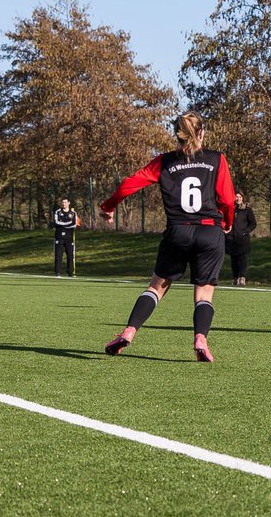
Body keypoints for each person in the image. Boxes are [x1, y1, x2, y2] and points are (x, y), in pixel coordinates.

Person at [98, 111, 235, 362]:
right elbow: (227, 198)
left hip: (178, 232)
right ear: (202, 133)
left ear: (177, 136)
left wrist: (109, 206)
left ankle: (129, 330)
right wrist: (227, 221)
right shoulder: (216, 159)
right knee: (203, 294)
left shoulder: (164, 162)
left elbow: (131, 182)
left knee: (156, 287)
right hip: (209, 231)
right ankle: (200, 339)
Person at [224, 190, 257, 285]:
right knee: (233, 260)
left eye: (240, 197)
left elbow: (253, 223)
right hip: (231, 238)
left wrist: (245, 231)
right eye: (236, 197)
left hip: (242, 239)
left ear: (243, 198)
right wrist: (226, 231)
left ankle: (242, 278)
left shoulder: (247, 210)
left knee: (242, 259)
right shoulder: (230, 209)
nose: (238, 199)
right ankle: (235, 278)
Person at [53, 197, 79, 277]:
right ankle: (58, 272)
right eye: (62, 202)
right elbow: (57, 223)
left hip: (69, 236)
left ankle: (70, 273)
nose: (64, 204)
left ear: (68, 203)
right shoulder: (58, 212)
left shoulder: (73, 213)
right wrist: (68, 223)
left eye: (65, 202)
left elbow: (74, 224)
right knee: (58, 255)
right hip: (59, 236)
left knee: (70, 255)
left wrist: (64, 224)